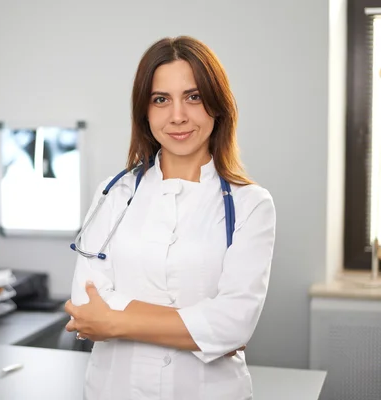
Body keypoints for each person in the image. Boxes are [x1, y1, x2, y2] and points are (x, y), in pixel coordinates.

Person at [65, 36, 276, 400]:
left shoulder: (251, 205)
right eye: (160, 100)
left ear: (217, 105)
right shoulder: (113, 194)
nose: (177, 115)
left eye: (193, 97)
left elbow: (234, 324)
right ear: (144, 112)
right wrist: (202, 330)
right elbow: (85, 307)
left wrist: (113, 321)